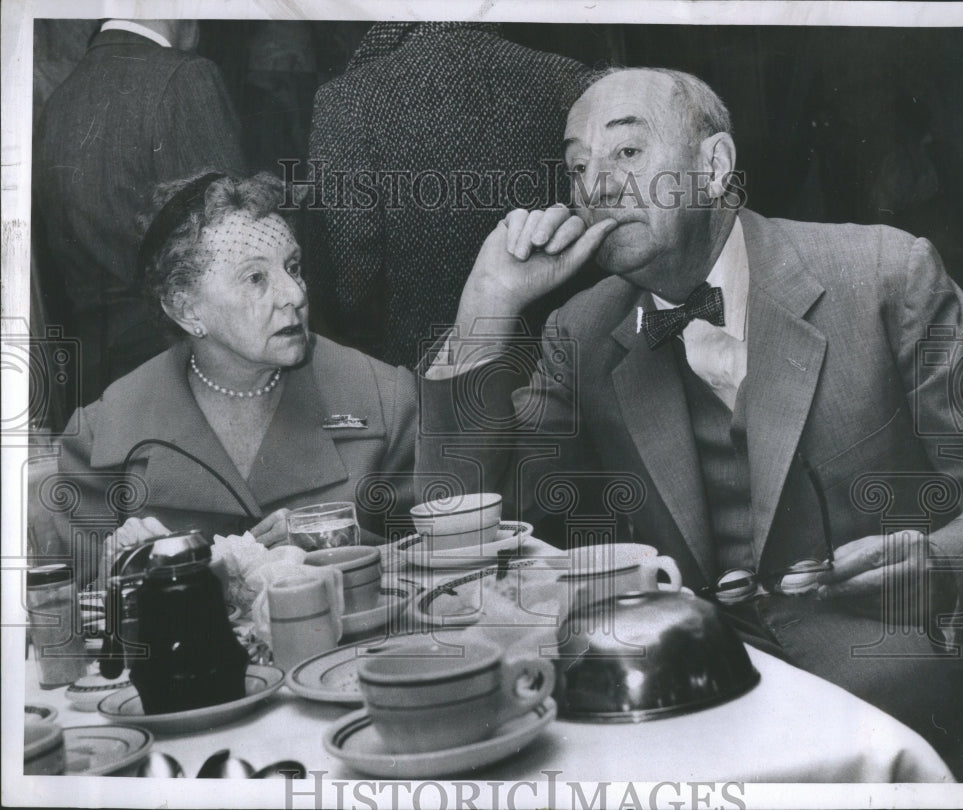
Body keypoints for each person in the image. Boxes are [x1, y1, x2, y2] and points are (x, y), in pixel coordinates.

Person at [417, 68, 963, 777]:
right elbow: (455, 514)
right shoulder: (583, 331)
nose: (597, 186)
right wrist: (487, 307)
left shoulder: (888, 275)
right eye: (577, 168)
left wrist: (942, 566)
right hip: (679, 704)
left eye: (627, 153)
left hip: (885, 699)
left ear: (712, 168)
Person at [52, 172, 417, 586]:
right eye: (255, 278)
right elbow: (70, 610)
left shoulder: (386, 399)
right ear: (186, 310)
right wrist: (117, 572)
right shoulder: (100, 438)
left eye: (293, 267)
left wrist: (336, 544)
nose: (294, 294)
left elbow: (440, 561)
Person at [306, 22, 593, 367]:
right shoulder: (568, 75)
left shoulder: (347, 98)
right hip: (565, 362)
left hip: (419, 377)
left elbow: (350, 275)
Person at [33, 19, 246, 414]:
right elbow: (238, 253)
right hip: (183, 388)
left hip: (95, 392)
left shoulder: (57, 104)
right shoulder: (185, 77)